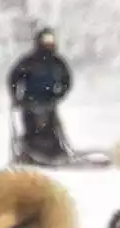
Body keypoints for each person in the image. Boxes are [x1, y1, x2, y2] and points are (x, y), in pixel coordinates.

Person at [8, 28, 74, 164]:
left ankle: (54, 153)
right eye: (46, 41)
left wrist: (59, 95)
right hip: (29, 102)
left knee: (52, 129)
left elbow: (67, 80)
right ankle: (30, 154)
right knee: (31, 130)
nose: (48, 44)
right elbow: (14, 77)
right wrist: (16, 97)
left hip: (49, 101)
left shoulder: (57, 62)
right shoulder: (29, 61)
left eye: (50, 41)